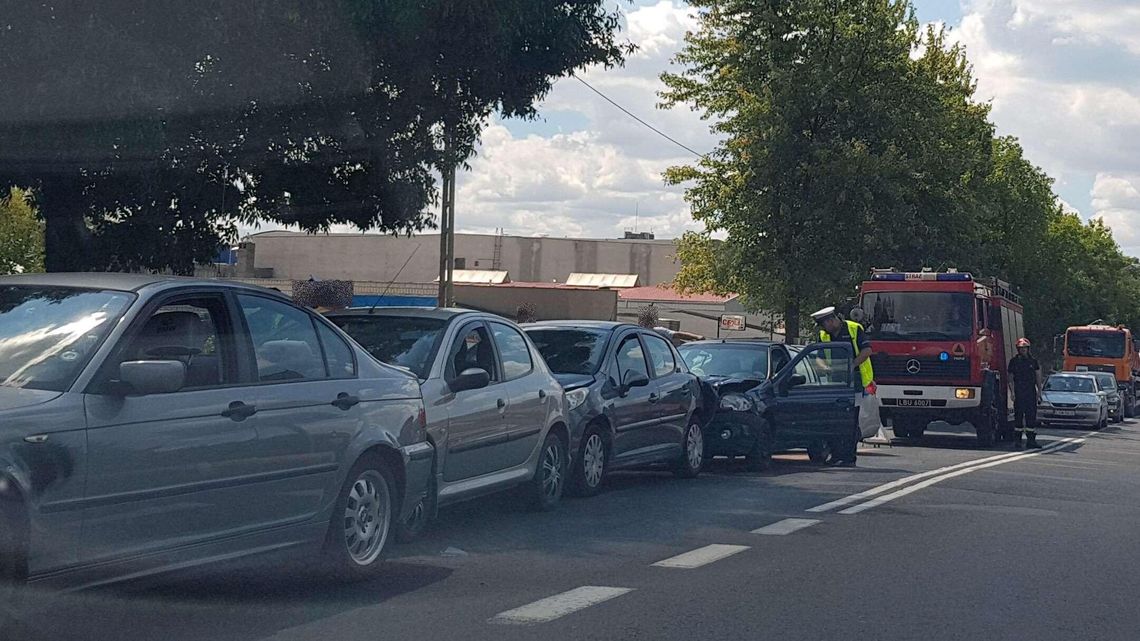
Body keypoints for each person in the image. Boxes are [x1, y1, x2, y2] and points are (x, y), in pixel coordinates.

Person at [811, 306, 875, 467]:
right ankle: (836, 455)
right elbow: (818, 356)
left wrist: (852, 365)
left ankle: (849, 457)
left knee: (851, 421)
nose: (825, 328)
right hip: (834, 384)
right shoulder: (823, 334)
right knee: (834, 421)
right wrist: (823, 367)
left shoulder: (854, 328)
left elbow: (867, 350)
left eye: (826, 324)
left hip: (855, 382)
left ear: (831, 320)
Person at [1008, 337, 1041, 449]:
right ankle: (1018, 441)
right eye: (1021, 348)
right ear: (1018, 349)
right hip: (1019, 392)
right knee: (1018, 416)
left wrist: (1039, 392)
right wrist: (1012, 392)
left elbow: (1038, 376)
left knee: (1031, 416)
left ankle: (1031, 441)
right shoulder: (1014, 362)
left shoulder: (1033, 361)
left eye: (1025, 348)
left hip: (1030, 392)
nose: (1023, 350)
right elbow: (1011, 378)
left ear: (1028, 349)